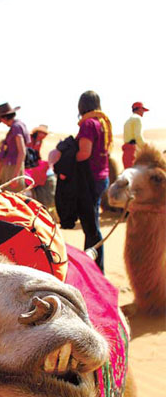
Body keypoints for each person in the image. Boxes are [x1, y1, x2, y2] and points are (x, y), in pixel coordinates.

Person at [75, 90, 113, 273]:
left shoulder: (88, 124)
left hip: (90, 180)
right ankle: (91, 266)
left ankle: (96, 270)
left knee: (92, 228)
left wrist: (65, 157)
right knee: (92, 225)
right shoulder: (101, 123)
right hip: (101, 178)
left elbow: (84, 153)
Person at [0, 102, 31, 192]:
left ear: (4, 118)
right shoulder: (18, 125)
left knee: (12, 197)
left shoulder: (16, 127)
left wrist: (15, 176)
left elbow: (22, 151)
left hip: (13, 167)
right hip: (12, 166)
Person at [122, 101, 149, 169]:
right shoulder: (138, 119)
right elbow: (138, 136)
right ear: (139, 109)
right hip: (134, 152)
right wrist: (146, 146)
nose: (143, 112)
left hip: (126, 151)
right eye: (143, 110)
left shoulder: (127, 121)